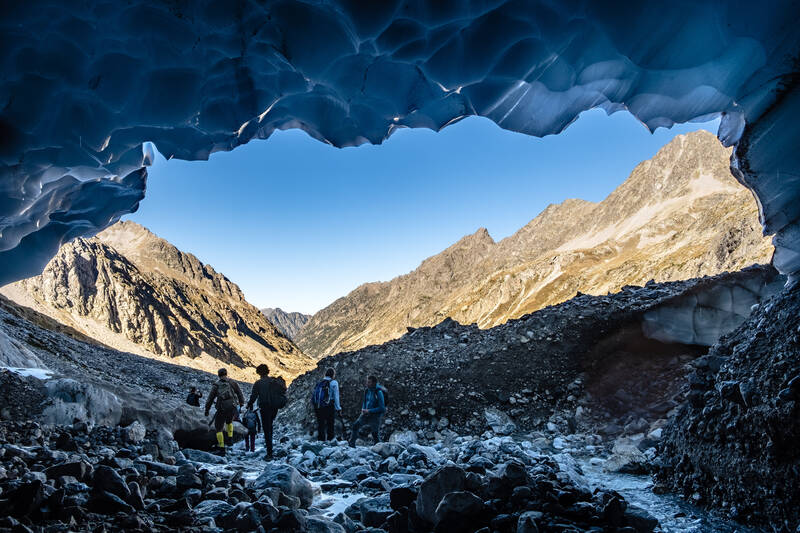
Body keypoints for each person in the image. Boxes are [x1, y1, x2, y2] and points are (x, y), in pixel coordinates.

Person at [247, 364, 287, 460]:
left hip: (265, 407)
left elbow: (254, 396)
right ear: (268, 371)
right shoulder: (273, 381)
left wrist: (249, 404)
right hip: (274, 407)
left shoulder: (258, 383)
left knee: (266, 429)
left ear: (259, 372)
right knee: (270, 426)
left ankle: (269, 453)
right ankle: (271, 448)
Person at [204, 368, 244, 454]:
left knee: (219, 428)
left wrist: (207, 410)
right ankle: (230, 439)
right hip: (232, 407)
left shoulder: (216, 385)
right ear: (226, 373)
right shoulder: (232, 382)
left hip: (222, 408)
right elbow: (239, 393)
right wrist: (241, 403)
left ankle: (221, 448)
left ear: (219, 375)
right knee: (229, 422)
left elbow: (210, 399)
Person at [348, 375, 385, 447]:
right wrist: (363, 409)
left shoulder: (378, 392)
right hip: (365, 414)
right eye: (367, 382)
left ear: (374, 383)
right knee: (355, 425)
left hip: (375, 416)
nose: (367, 384)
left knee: (375, 434)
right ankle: (351, 443)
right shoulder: (367, 390)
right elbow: (365, 401)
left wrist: (370, 411)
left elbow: (382, 408)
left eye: (369, 382)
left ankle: (379, 449)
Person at [311, 368, 341, 441]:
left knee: (321, 424)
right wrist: (338, 408)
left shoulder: (320, 382)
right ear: (333, 375)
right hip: (328, 405)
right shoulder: (334, 383)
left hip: (318, 406)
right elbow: (336, 396)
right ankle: (330, 440)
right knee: (330, 423)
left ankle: (321, 440)